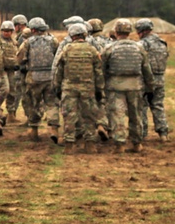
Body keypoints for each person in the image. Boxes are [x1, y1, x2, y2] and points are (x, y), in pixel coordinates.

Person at [102, 19, 155, 153]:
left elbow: (101, 69)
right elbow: (146, 70)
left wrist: (100, 85)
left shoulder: (109, 48)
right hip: (135, 86)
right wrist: (150, 88)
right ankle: (137, 143)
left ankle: (120, 144)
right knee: (135, 115)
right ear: (130, 32)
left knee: (117, 115)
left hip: (115, 86)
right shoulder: (139, 48)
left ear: (116, 31)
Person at [53, 23, 104, 153]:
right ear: (84, 35)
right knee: (89, 115)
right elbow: (98, 72)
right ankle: (90, 144)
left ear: (72, 35)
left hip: (69, 87)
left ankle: (69, 145)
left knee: (69, 116)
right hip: (88, 87)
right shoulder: (92, 50)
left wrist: (57, 87)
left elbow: (59, 71)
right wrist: (99, 89)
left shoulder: (67, 49)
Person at [16, 17, 59, 141]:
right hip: (50, 77)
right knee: (51, 104)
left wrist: (23, 66)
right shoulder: (53, 41)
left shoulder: (28, 43)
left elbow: (19, 59)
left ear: (33, 29)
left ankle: (34, 131)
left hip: (33, 77)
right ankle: (54, 129)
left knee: (33, 103)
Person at [136, 18, 170, 142]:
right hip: (160, 79)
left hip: (145, 80)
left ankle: (142, 133)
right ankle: (163, 133)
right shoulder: (162, 43)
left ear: (142, 31)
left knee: (142, 106)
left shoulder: (142, 44)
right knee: (158, 105)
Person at [7, 14, 30, 122]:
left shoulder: (23, 37)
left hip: (22, 69)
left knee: (17, 92)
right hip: (28, 69)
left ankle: (12, 114)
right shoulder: (28, 34)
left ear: (19, 25)